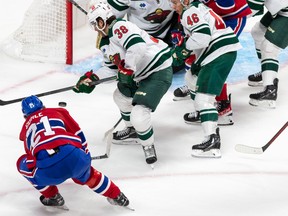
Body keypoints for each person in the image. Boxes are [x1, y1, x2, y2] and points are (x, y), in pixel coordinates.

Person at [73, 2, 173, 165]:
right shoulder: (106, 43)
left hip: (158, 69)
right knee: (120, 97)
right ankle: (133, 131)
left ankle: (148, 145)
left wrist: (128, 69)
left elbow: (138, 46)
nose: (94, 29)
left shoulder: (120, 27)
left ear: (100, 21)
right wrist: (92, 80)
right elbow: (111, 69)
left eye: (94, 24)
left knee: (139, 115)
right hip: (139, 74)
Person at [17, 95, 130, 209]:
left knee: (22, 164)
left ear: (25, 116)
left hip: (50, 170)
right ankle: (117, 195)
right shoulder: (58, 111)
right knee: (88, 174)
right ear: (44, 106)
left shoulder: (25, 130)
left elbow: (31, 159)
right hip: (73, 155)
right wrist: (85, 154)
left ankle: (53, 197)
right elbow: (77, 132)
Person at [170, 0, 241, 158]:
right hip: (217, 51)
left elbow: (202, 37)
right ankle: (203, 114)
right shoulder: (198, 8)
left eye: (175, 2)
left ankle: (212, 142)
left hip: (218, 53)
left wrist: (183, 49)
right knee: (191, 77)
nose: (173, 6)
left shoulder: (189, 11)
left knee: (203, 99)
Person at [173, 0, 252, 126]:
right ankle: (201, 96)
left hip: (230, 17)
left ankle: (222, 105)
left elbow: (227, 5)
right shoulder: (189, 8)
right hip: (208, 18)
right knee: (195, 63)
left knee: (216, 61)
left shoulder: (191, 8)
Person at [246, 0, 288, 108]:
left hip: (286, 12)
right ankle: (267, 72)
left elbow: (250, 10)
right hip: (281, 9)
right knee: (258, 31)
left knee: (269, 48)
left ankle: (270, 91)